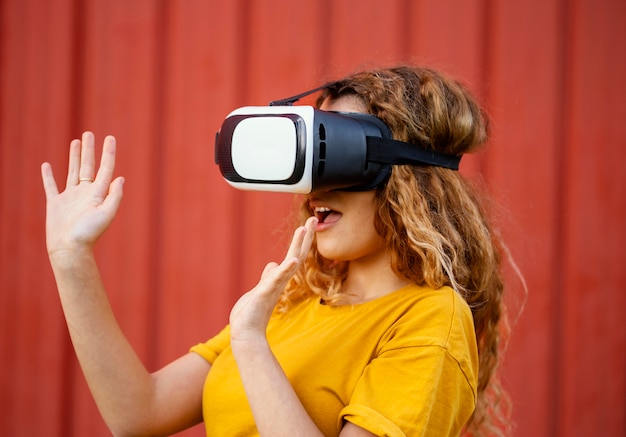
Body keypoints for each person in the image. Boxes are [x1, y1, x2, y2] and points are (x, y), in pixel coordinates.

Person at [41, 65, 512, 436]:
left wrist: (251, 344)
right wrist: (71, 258)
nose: (313, 190)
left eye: (335, 160)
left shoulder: (430, 320)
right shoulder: (298, 302)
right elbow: (138, 411)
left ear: (405, 176)